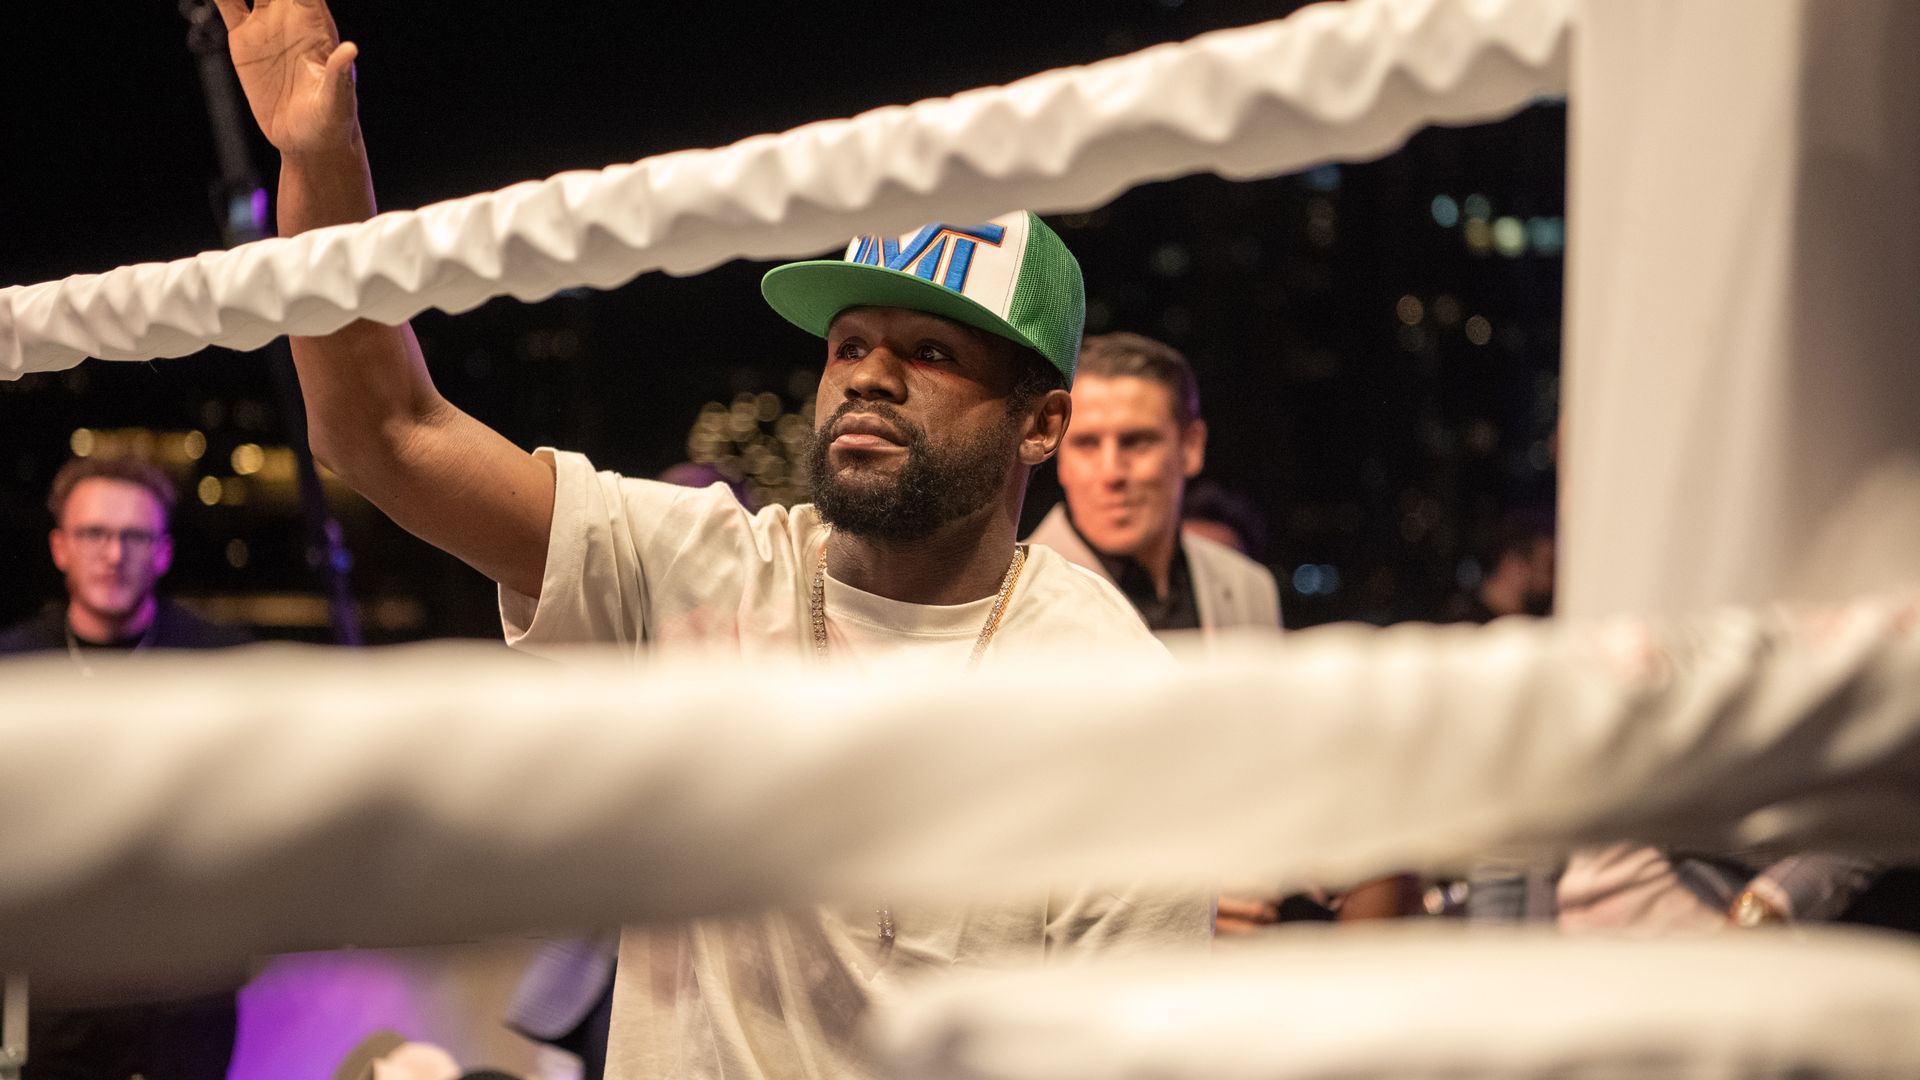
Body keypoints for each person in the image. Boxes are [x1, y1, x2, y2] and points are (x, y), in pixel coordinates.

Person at [214, 2, 1208, 1077]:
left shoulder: (1109, 689)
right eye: (850, 344)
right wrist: (322, 159)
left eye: (929, 349)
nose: (869, 374)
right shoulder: (708, 568)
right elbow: (386, 432)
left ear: (1042, 422)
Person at [0, 455, 250, 1080]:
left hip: (189, 976)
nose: (113, 554)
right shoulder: (16, 668)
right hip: (61, 975)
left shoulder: (219, 664)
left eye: (134, 536)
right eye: (94, 534)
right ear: (60, 547)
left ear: (162, 552)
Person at [1028, 332, 1281, 635]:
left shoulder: (1249, 589)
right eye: (1086, 443)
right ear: (1059, 454)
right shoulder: (1009, 601)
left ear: (1191, 446)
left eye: (1137, 442)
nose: (1111, 473)